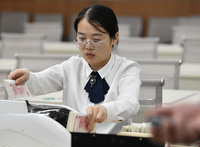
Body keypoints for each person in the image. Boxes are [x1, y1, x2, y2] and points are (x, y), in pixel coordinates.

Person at [8, 5, 141, 134]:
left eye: (96, 39)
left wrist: (106, 110)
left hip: (112, 142)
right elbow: (42, 81)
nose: (88, 46)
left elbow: (130, 103)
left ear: (114, 38)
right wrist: (28, 77)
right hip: (73, 140)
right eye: (82, 39)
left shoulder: (127, 68)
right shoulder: (72, 66)